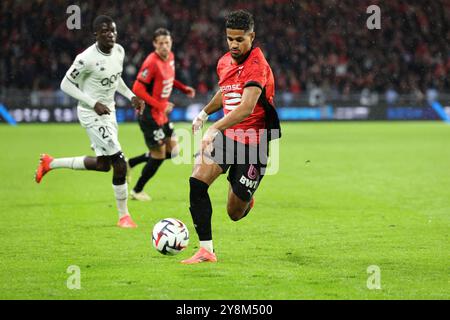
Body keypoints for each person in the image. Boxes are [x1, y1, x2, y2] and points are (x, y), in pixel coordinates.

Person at [181, 10, 281, 264]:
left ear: (252, 37)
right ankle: (206, 250)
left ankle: (246, 198)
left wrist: (214, 128)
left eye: (239, 39)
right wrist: (204, 114)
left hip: (253, 145)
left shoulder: (258, 66)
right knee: (197, 181)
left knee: (234, 213)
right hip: (228, 138)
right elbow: (226, 92)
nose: (234, 45)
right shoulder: (224, 61)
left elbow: (246, 106)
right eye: (230, 39)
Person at [34, 15, 145, 228]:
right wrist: (92, 102)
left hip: (108, 112)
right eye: (104, 31)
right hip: (90, 114)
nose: (110, 34)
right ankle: (124, 217)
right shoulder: (85, 58)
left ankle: (50, 163)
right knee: (119, 162)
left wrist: (131, 96)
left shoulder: (119, 51)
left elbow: (116, 78)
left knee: (104, 165)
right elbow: (65, 84)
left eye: (112, 30)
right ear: (96, 34)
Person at [127, 28, 196, 201]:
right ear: (154, 44)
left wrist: (183, 88)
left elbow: (168, 79)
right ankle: (136, 191)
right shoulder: (151, 62)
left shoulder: (170, 57)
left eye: (167, 42)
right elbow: (137, 89)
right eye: (160, 43)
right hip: (149, 115)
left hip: (161, 114)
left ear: (171, 42)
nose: (164, 46)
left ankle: (131, 163)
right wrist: (160, 105)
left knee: (173, 151)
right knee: (158, 155)